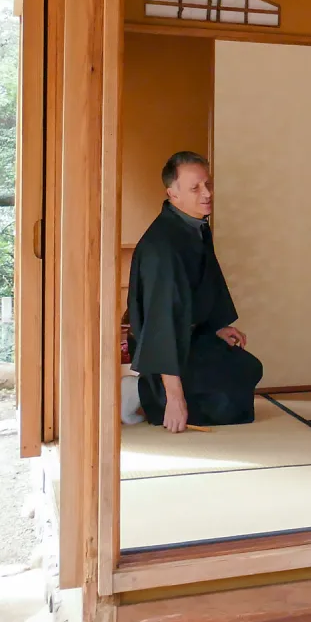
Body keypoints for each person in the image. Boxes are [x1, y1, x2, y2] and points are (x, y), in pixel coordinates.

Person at [127, 151, 263, 432]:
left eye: (208, 185)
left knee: (247, 368)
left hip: (190, 338)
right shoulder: (163, 246)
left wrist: (217, 327)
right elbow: (161, 323)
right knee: (226, 398)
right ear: (172, 193)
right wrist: (176, 398)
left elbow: (204, 286)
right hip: (164, 347)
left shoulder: (193, 226)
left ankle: (159, 393)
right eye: (195, 188)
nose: (206, 193)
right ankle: (146, 393)